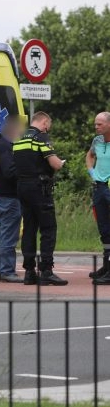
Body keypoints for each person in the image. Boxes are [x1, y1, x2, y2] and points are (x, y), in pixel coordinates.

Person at [12, 111, 68, 286]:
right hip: (39, 188)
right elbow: (55, 164)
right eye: (48, 125)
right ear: (44, 122)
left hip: (22, 187)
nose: (48, 128)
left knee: (29, 229)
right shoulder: (41, 138)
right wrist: (62, 162)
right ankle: (46, 271)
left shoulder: (19, 139)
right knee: (48, 228)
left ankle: (29, 272)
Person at [0, 117, 23, 283]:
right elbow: (9, 172)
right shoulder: (5, 147)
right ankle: (7, 271)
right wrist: (25, 169)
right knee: (9, 236)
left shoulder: (0, 145)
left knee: (1, 235)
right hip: (8, 197)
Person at [85, 111, 110, 285]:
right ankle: (106, 267)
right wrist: (92, 172)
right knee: (104, 230)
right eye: (95, 124)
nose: (96, 127)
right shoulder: (97, 140)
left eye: (99, 124)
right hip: (99, 189)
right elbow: (90, 156)